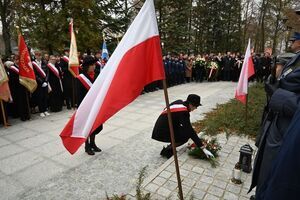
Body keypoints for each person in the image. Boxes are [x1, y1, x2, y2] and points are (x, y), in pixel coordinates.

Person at [249, 32, 300, 199]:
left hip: (288, 131)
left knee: (276, 176)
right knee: (264, 169)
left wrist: (278, 94)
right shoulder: (296, 57)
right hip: (277, 123)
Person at [152, 94, 214, 158]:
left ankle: (170, 147)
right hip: (162, 132)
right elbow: (189, 131)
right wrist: (202, 147)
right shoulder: (183, 112)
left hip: (162, 127)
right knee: (186, 135)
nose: (196, 108)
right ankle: (168, 150)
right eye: (195, 106)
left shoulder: (179, 102)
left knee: (184, 131)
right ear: (190, 104)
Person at [77, 56, 103, 155]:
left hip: (95, 105)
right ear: (87, 66)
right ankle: (87, 146)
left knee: (96, 126)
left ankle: (93, 143)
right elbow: (79, 95)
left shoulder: (97, 75)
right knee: (87, 126)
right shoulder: (80, 78)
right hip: (86, 107)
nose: (94, 66)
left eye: (94, 64)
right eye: (92, 65)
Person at [32, 51, 50, 117]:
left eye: (40, 55)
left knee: (45, 97)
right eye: (37, 55)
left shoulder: (44, 62)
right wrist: (41, 82)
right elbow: (34, 74)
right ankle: (41, 111)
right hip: (39, 83)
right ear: (35, 56)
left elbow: (48, 73)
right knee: (40, 97)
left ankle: (45, 110)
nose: (38, 56)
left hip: (45, 83)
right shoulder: (33, 64)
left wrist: (46, 81)